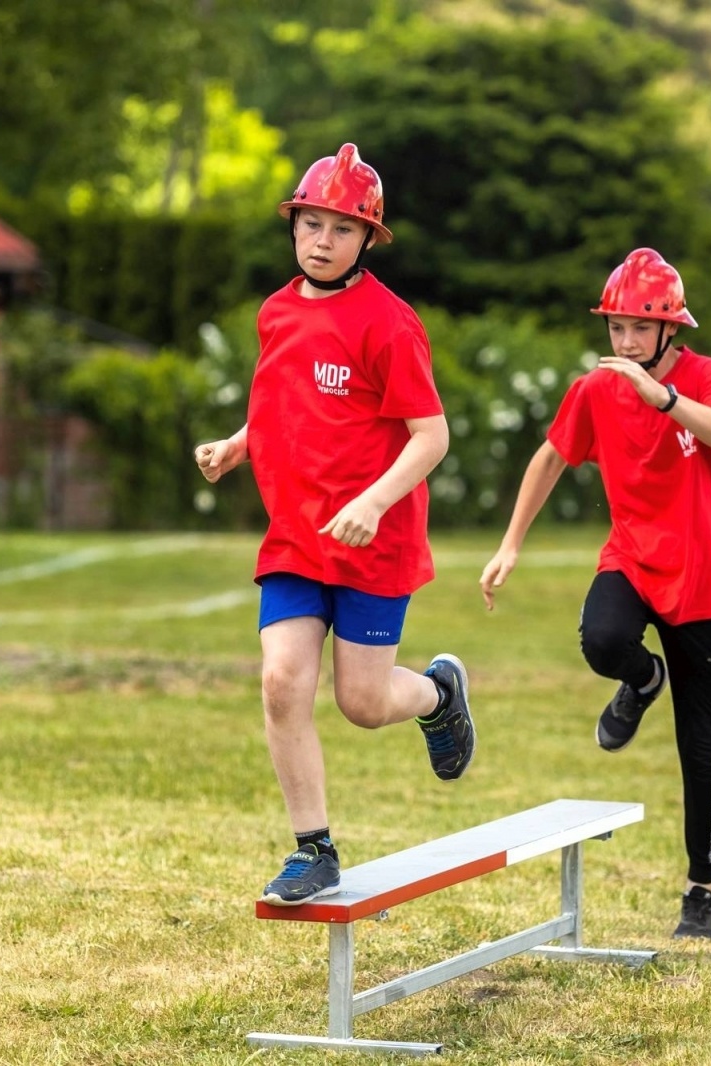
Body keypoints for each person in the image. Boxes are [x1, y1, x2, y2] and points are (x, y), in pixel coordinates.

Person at [193, 144, 475, 906]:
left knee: (363, 704)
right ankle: (313, 850)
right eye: (310, 223)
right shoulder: (277, 312)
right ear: (293, 226)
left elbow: (432, 436)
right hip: (295, 538)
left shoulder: (389, 324)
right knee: (283, 681)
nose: (321, 239)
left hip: (372, 542)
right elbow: (281, 402)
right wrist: (238, 443)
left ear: (367, 239)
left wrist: (373, 502)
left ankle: (440, 695)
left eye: (340, 229)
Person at [478, 248, 711, 939]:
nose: (622, 343)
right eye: (615, 328)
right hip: (633, 557)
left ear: (668, 332)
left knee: (700, 745)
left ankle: (701, 891)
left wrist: (667, 399)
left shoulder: (704, 377)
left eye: (636, 329)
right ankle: (642, 678)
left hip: (705, 579)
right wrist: (510, 544)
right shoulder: (594, 391)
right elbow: (550, 458)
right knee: (603, 639)